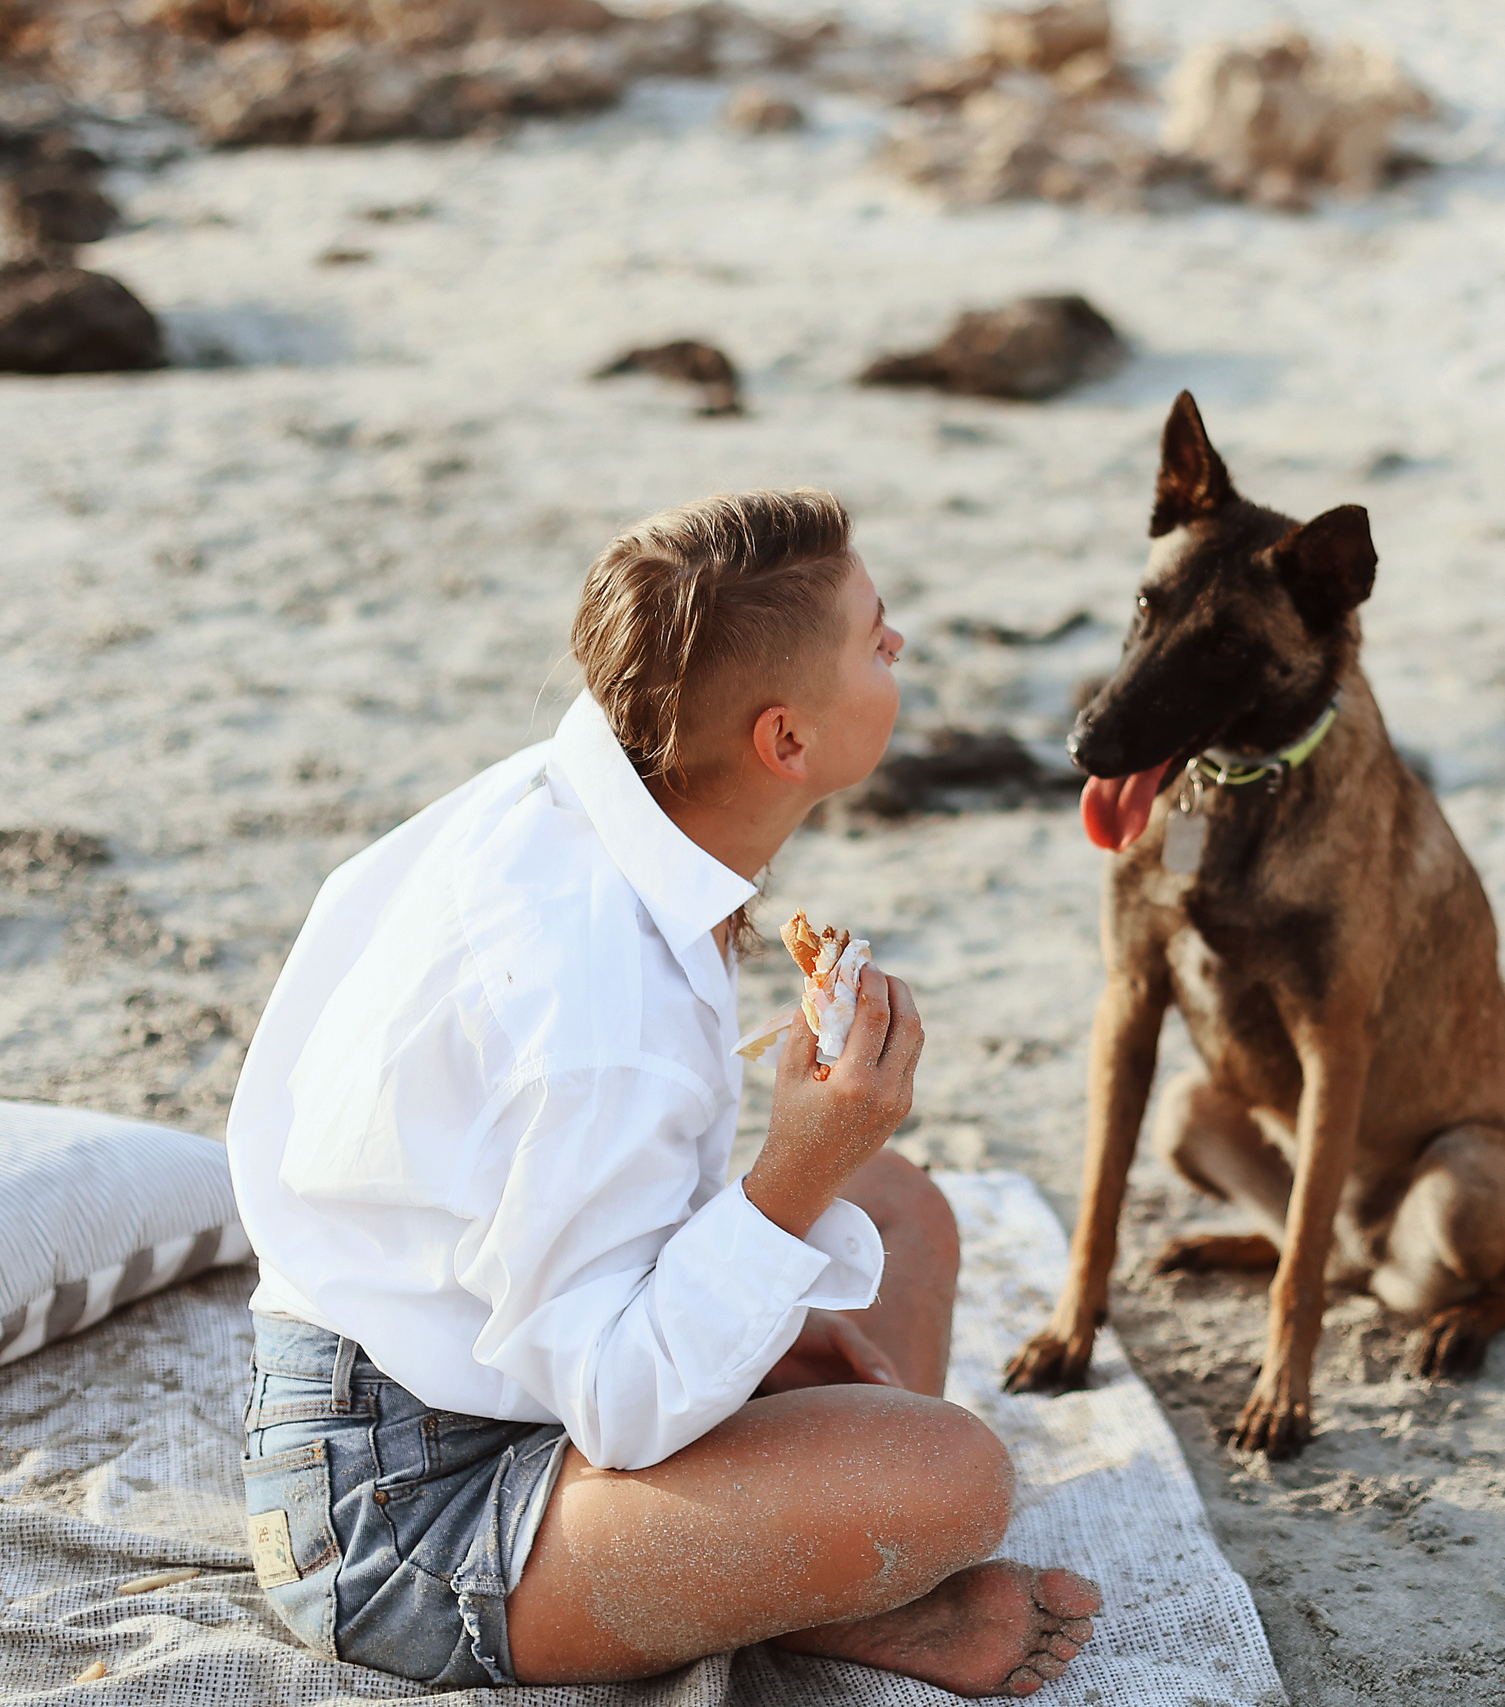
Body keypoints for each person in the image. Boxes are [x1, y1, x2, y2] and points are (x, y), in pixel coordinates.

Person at [224, 491, 1100, 1696]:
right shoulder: (597, 1009)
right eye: (874, 635)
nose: (898, 648)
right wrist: (796, 1167)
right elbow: (623, 1406)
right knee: (949, 1475)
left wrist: (788, 1249)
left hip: (494, 1352)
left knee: (898, 1209)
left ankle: (783, 1551)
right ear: (784, 742)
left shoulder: (594, 794)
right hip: (410, 1514)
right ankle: (809, 1576)